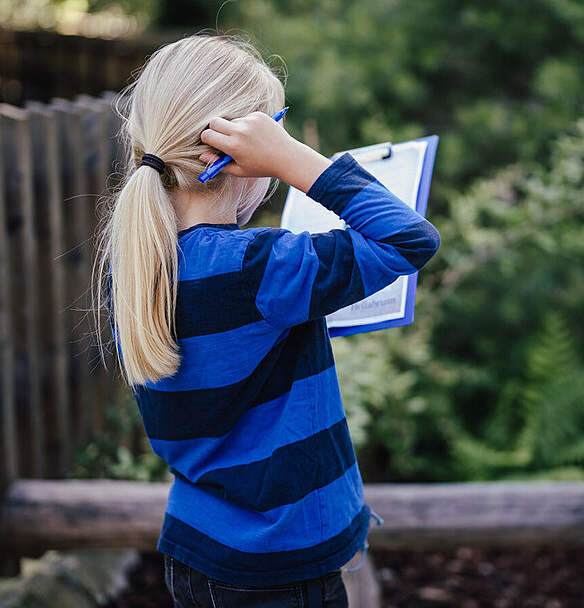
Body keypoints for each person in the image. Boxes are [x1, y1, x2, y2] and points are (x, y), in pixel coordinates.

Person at [91, 33, 441, 608]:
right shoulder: (259, 267)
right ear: (236, 156)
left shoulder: (137, 266)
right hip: (281, 571)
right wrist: (297, 158)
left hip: (200, 556)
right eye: (271, 135)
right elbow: (410, 239)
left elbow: (231, 352)